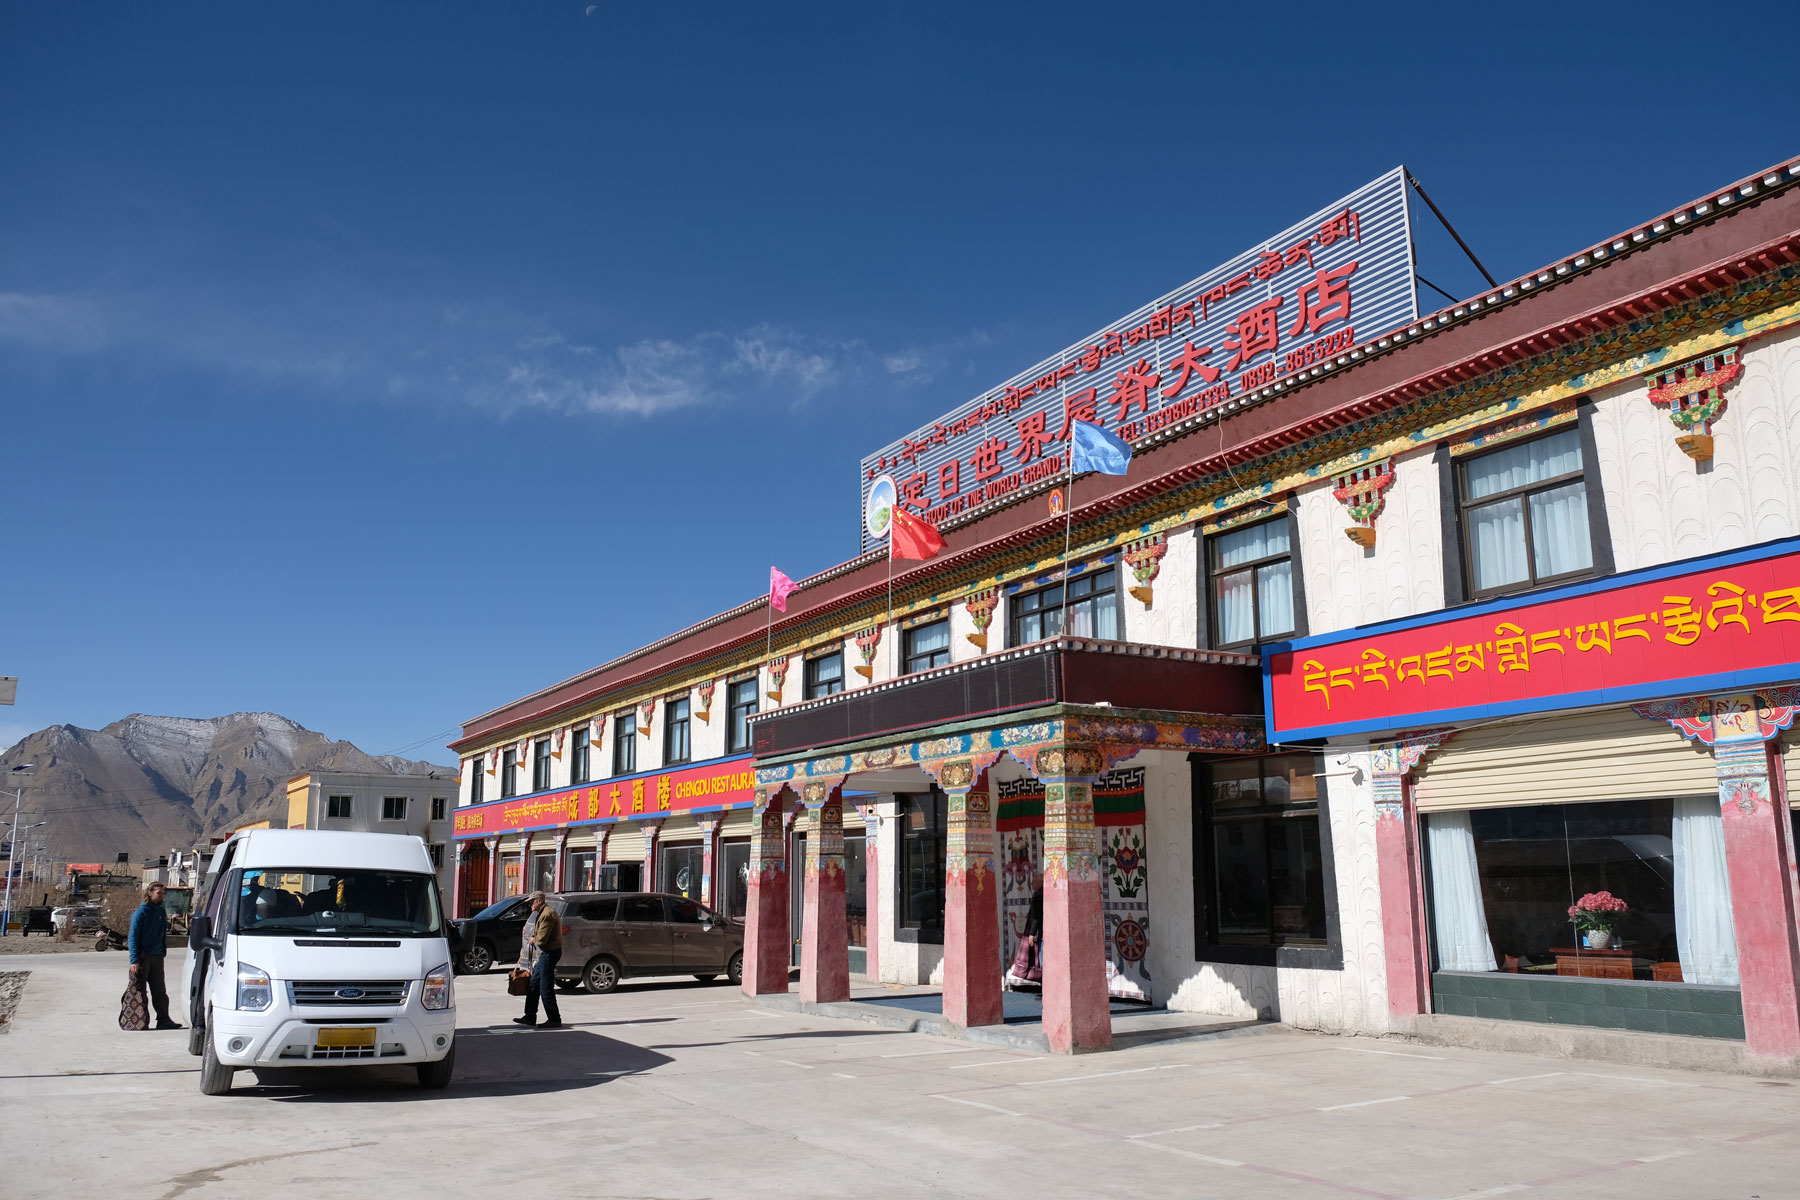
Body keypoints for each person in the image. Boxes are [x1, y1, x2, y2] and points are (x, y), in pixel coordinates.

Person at [128, 882, 181, 1030]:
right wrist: (134, 960)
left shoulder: (160, 911)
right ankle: (139, 1020)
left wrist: (163, 951)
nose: (162, 896)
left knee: (159, 991)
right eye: (159, 893)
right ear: (150, 893)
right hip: (143, 958)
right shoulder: (141, 912)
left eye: (163, 893)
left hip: (157, 957)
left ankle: (163, 1019)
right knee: (139, 990)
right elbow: (132, 937)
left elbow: (162, 934)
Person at [511, 891, 563, 1029]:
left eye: (532, 901)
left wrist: (534, 939)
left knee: (545, 987)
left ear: (539, 901)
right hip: (546, 953)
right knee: (533, 984)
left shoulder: (547, 914)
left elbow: (542, 939)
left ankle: (554, 1019)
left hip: (550, 953)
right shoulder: (543, 912)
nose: (530, 904)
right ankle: (529, 1017)